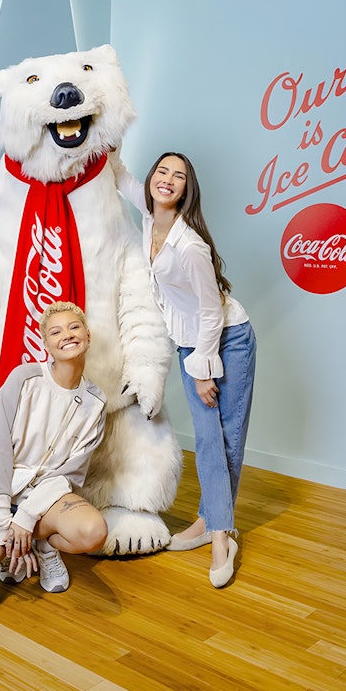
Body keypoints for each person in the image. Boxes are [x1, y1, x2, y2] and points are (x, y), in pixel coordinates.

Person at [115, 151, 256, 588]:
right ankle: (212, 522)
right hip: (191, 344)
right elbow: (120, 174)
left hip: (227, 340)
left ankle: (218, 538)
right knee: (211, 439)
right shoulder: (150, 218)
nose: (168, 180)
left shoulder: (190, 245)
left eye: (178, 176)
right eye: (162, 172)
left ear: (186, 189)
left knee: (222, 439)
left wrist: (202, 367)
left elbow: (212, 311)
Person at [0, 301, 108, 627]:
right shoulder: (25, 379)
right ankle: (11, 548)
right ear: (46, 345)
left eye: (74, 327)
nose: (67, 335)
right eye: (56, 331)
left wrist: (26, 520)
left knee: (92, 531)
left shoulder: (96, 403)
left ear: (87, 335)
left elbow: (67, 475)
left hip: (43, 504)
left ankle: (41, 543)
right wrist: (6, 528)